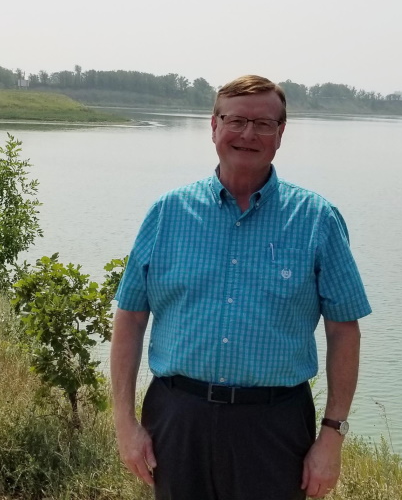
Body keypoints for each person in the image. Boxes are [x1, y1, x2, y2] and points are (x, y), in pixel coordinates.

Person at [110, 75, 371, 500]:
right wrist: (124, 421)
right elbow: (131, 316)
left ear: (281, 133)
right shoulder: (168, 213)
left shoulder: (316, 219)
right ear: (213, 126)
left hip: (275, 424)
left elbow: (344, 330)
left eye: (264, 124)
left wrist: (332, 436)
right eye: (236, 120)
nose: (248, 134)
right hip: (178, 418)